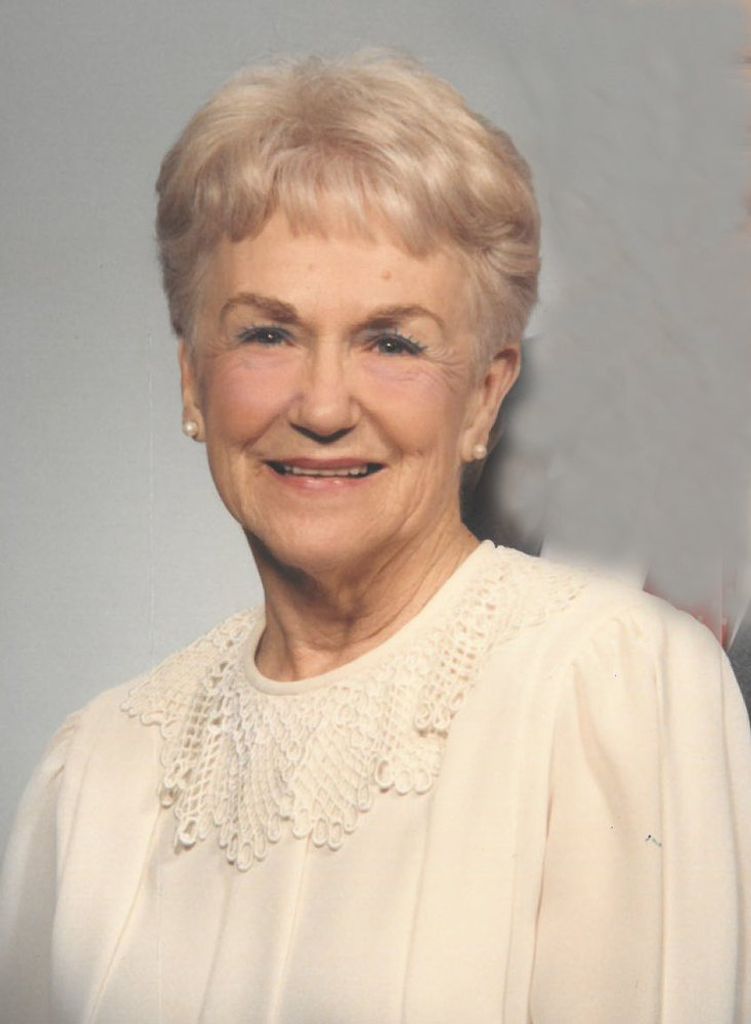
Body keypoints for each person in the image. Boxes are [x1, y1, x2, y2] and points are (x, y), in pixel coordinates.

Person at [1, 51, 749, 1024]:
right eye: (267, 334)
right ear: (191, 380)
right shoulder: (95, 764)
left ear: (483, 396)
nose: (321, 406)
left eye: (391, 342)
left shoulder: (614, 682)